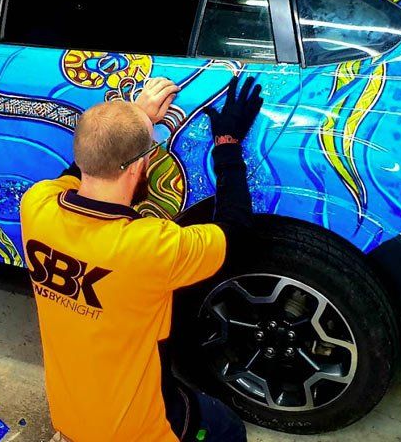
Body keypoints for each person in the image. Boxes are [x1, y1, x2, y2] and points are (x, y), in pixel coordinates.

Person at [21, 75, 263, 441]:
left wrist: (136, 118)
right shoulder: (150, 247)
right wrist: (227, 145)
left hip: (70, 417)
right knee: (226, 427)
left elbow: (79, 169)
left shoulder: (37, 206)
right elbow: (236, 231)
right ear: (138, 166)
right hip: (140, 430)